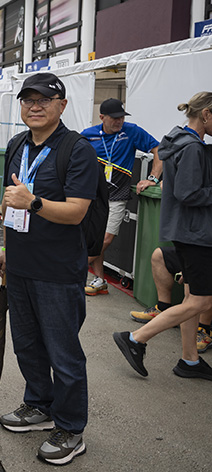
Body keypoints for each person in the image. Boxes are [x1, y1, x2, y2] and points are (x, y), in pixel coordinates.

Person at [0, 72, 96, 465]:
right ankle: (39, 404)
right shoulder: (17, 144)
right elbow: (9, 202)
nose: (34, 106)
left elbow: (76, 212)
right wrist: (5, 247)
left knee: (64, 353)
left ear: (62, 105)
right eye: (27, 100)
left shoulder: (77, 149)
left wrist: (33, 202)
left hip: (58, 270)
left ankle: (71, 428)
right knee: (28, 345)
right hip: (20, 265)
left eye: (43, 100)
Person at [114, 92, 212, 382]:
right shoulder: (192, 148)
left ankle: (190, 360)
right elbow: (188, 192)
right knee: (202, 302)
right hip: (196, 235)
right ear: (206, 114)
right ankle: (135, 339)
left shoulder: (180, 142)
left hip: (185, 232)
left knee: (194, 297)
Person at [81, 98, 162, 296]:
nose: (119, 121)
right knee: (95, 238)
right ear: (102, 118)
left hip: (117, 195)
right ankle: (99, 280)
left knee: (105, 239)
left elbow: (159, 150)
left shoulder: (132, 131)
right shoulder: (87, 135)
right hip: (93, 195)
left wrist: (152, 178)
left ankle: (70, 271)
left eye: (121, 118)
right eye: (115, 118)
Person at [128, 246, 212, 353]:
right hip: (197, 252)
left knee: (199, 298)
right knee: (159, 255)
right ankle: (162, 308)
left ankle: (203, 329)